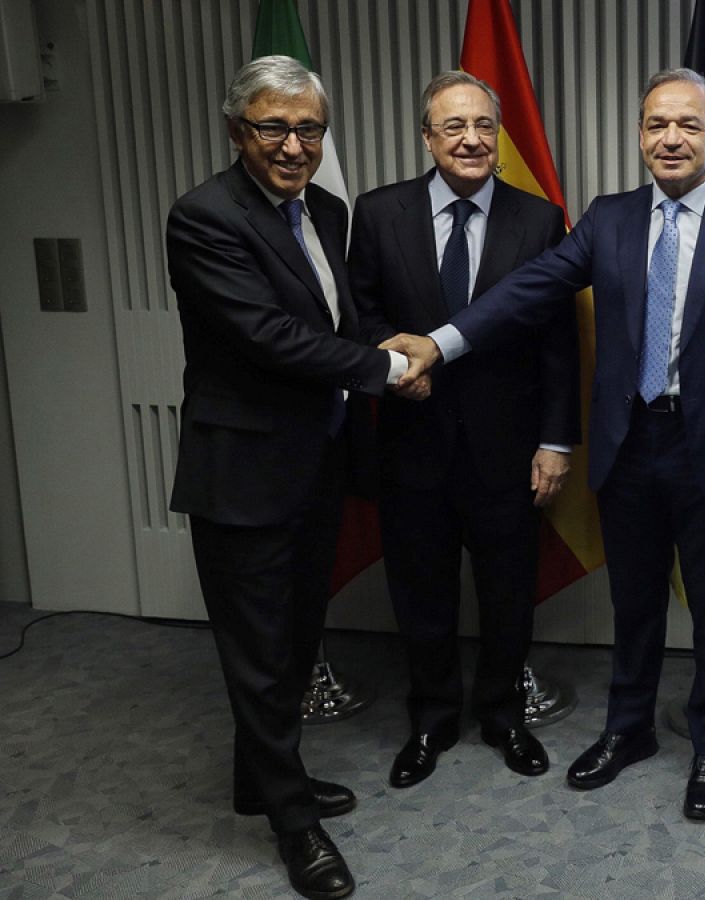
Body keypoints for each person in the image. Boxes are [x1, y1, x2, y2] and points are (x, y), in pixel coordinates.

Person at [384, 67, 705, 821]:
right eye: (656, 124)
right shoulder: (609, 219)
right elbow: (530, 288)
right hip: (626, 442)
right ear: (640, 134)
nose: (670, 138)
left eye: (687, 124)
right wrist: (443, 342)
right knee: (632, 601)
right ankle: (627, 728)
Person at [166, 55, 424, 900]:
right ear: (236, 130)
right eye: (273, 127)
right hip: (242, 471)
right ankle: (292, 823)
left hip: (315, 460)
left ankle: (259, 780)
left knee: (292, 638)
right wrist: (386, 369)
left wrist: (382, 347)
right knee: (258, 652)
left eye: (309, 129)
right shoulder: (204, 216)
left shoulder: (327, 209)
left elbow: (334, 319)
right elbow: (267, 336)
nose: (293, 146)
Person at [349, 70, 579, 788]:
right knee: (421, 591)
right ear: (427, 137)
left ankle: (504, 716)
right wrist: (395, 367)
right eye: (454, 126)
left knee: (508, 593)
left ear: (498, 135)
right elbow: (358, 314)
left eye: (483, 125)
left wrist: (555, 441)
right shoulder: (378, 212)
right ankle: (431, 718)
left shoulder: (538, 219)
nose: (472, 139)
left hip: (507, 449)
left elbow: (558, 342)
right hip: (411, 439)